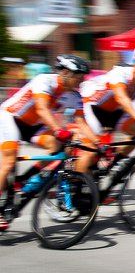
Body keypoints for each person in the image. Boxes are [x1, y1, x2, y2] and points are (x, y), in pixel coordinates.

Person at [0, 55, 92, 231]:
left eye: (83, 78)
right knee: (9, 162)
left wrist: (97, 144)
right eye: (79, 77)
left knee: (59, 147)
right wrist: (58, 130)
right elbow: (42, 108)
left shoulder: (73, 95)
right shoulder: (44, 81)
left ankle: (25, 179)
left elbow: (81, 122)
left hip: (33, 126)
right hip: (11, 118)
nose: (81, 81)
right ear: (66, 73)